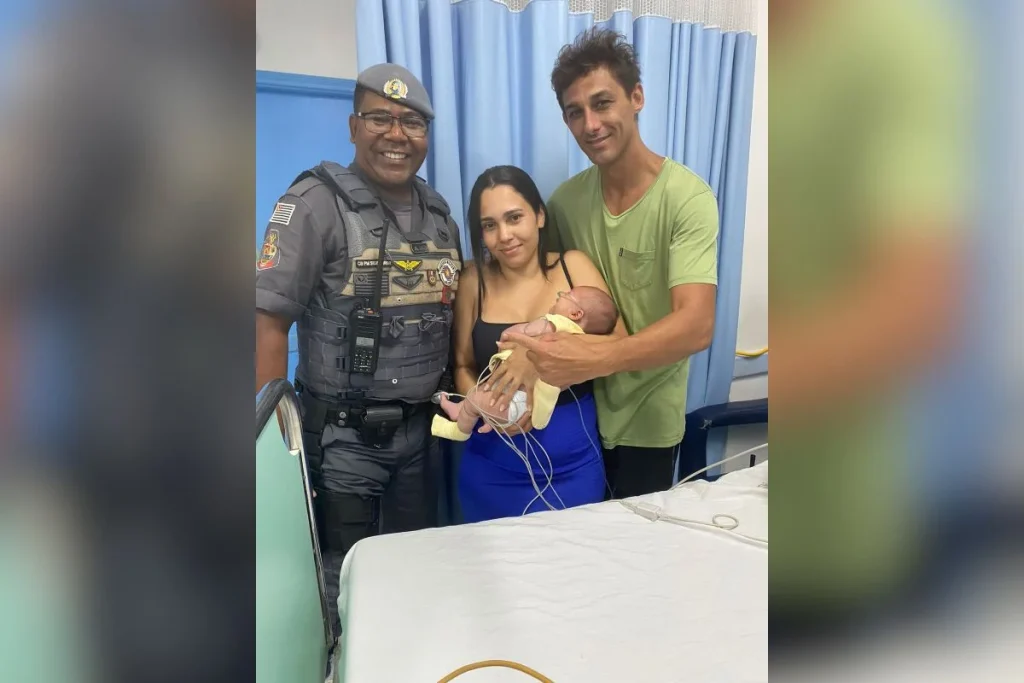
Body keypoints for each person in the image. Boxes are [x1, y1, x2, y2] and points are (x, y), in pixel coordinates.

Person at [254, 63, 463, 633]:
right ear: (353, 126)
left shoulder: (441, 216)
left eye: (412, 123)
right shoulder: (312, 204)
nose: (397, 134)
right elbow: (267, 323)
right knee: (342, 590)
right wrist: (276, 453)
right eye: (380, 118)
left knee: (414, 579)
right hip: (343, 443)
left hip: (423, 438)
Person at [495, 28, 719, 498]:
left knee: (631, 542)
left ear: (636, 97)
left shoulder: (686, 199)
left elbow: (696, 327)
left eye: (602, 103)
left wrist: (593, 358)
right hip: (575, 413)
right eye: (575, 113)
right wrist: (525, 353)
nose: (591, 124)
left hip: (647, 423)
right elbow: (538, 286)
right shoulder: (565, 203)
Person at [452, 165, 618, 523]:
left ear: (539, 216)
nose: (505, 235)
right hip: (491, 468)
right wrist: (482, 405)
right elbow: (463, 365)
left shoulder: (573, 267)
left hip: (573, 468)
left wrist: (533, 355)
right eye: (489, 225)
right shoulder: (472, 280)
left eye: (515, 218)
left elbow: (617, 345)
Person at [432, 286, 618, 439]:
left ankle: (459, 430)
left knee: (476, 399)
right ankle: (464, 409)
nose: (560, 296)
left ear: (576, 313)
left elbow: (525, 331)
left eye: (567, 295)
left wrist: (508, 335)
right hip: (523, 405)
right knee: (482, 395)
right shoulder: (580, 342)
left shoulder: (554, 324)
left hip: (513, 400)